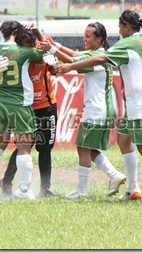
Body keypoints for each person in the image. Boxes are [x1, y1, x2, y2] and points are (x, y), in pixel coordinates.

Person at [54, 10, 142, 204]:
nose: (119, 31)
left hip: (141, 102)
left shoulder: (127, 43)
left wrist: (69, 67)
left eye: (120, 27)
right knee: (123, 140)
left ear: (127, 26)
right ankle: (133, 189)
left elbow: (101, 59)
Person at [40, 22, 126, 199]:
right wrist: (54, 45)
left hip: (96, 109)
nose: (84, 39)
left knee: (83, 147)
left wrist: (51, 50)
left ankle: (82, 191)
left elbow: (72, 61)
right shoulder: (98, 54)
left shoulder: (97, 57)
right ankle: (114, 175)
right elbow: (76, 54)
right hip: (102, 109)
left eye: (88, 36)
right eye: (84, 36)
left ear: (99, 39)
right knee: (89, 148)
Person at [0, 20, 48, 200]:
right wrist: (37, 33)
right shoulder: (24, 51)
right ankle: (23, 190)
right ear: (16, 32)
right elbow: (46, 50)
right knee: (24, 147)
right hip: (19, 103)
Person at [0, 26, 58, 198]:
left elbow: (55, 69)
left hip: (47, 107)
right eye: (25, 45)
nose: (29, 49)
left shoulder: (41, 51)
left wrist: (39, 34)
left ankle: (45, 189)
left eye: (31, 44)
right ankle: (6, 181)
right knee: (24, 147)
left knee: (45, 148)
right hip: (25, 108)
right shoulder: (15, 57)